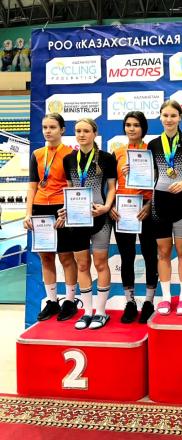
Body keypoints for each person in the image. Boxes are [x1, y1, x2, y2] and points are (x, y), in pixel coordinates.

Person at [62, 118, 116, 329]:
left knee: (101, 263)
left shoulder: (106, 158)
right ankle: (87, 312)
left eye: (86, 131)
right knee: (82, 265)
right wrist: (66, 208)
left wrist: (106, 207)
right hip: (77, 219)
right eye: (78, 131)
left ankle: (101, 312)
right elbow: (69, 188)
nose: (82, 134)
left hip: (100, 217)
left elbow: (111, 187)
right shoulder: (69, 159)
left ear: (95, 133)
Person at [23, 113, 78, 322]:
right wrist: (28, 213)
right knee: (46, 257)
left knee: (66, 257)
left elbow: (73, 186)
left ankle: (70, 301)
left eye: (52, 127)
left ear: (62, 130)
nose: (48, 131)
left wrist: (68, 210)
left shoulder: (70, 154)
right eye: (45, 127)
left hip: (61, 209)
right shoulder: (37, 154)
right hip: (40, 209)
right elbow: (32, 186)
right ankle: (52, 300)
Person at [110, 111, 158, 324]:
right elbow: (110, 184)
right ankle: (130, 302)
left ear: (143, 128)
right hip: (122, 210)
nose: (131, 128)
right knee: (126, 257)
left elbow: (160, 181)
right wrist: (111, 205)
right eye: (128, 125)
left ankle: (148, 302)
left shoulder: (152, 151)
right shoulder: (117, 153)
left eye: (136, 125)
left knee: (150, 255)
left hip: (146, 208)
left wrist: (150, 204)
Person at [148, 100, 182, 315]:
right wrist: (133, 171)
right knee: (163, 251)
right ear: (160, 117)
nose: (169, 119)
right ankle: (166, 297)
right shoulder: (153, 144)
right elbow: (149, 175)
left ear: (180, 118)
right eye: (165, 115)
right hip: (160, 202)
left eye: (173, 115)